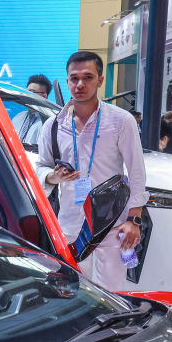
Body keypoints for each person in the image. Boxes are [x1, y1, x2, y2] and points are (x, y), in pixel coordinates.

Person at [36, 51, 148, 291]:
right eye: (74, 78)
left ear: (100, 80)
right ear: (67, 81)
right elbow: (41, 167)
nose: (80, 84)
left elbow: (136, 171)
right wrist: (53, 176)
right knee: (73, 295)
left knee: (113, 294)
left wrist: (134, 219)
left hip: (111, 225)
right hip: (69, 227)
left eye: (87, 77)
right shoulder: (53, 126)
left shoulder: (120, 121)